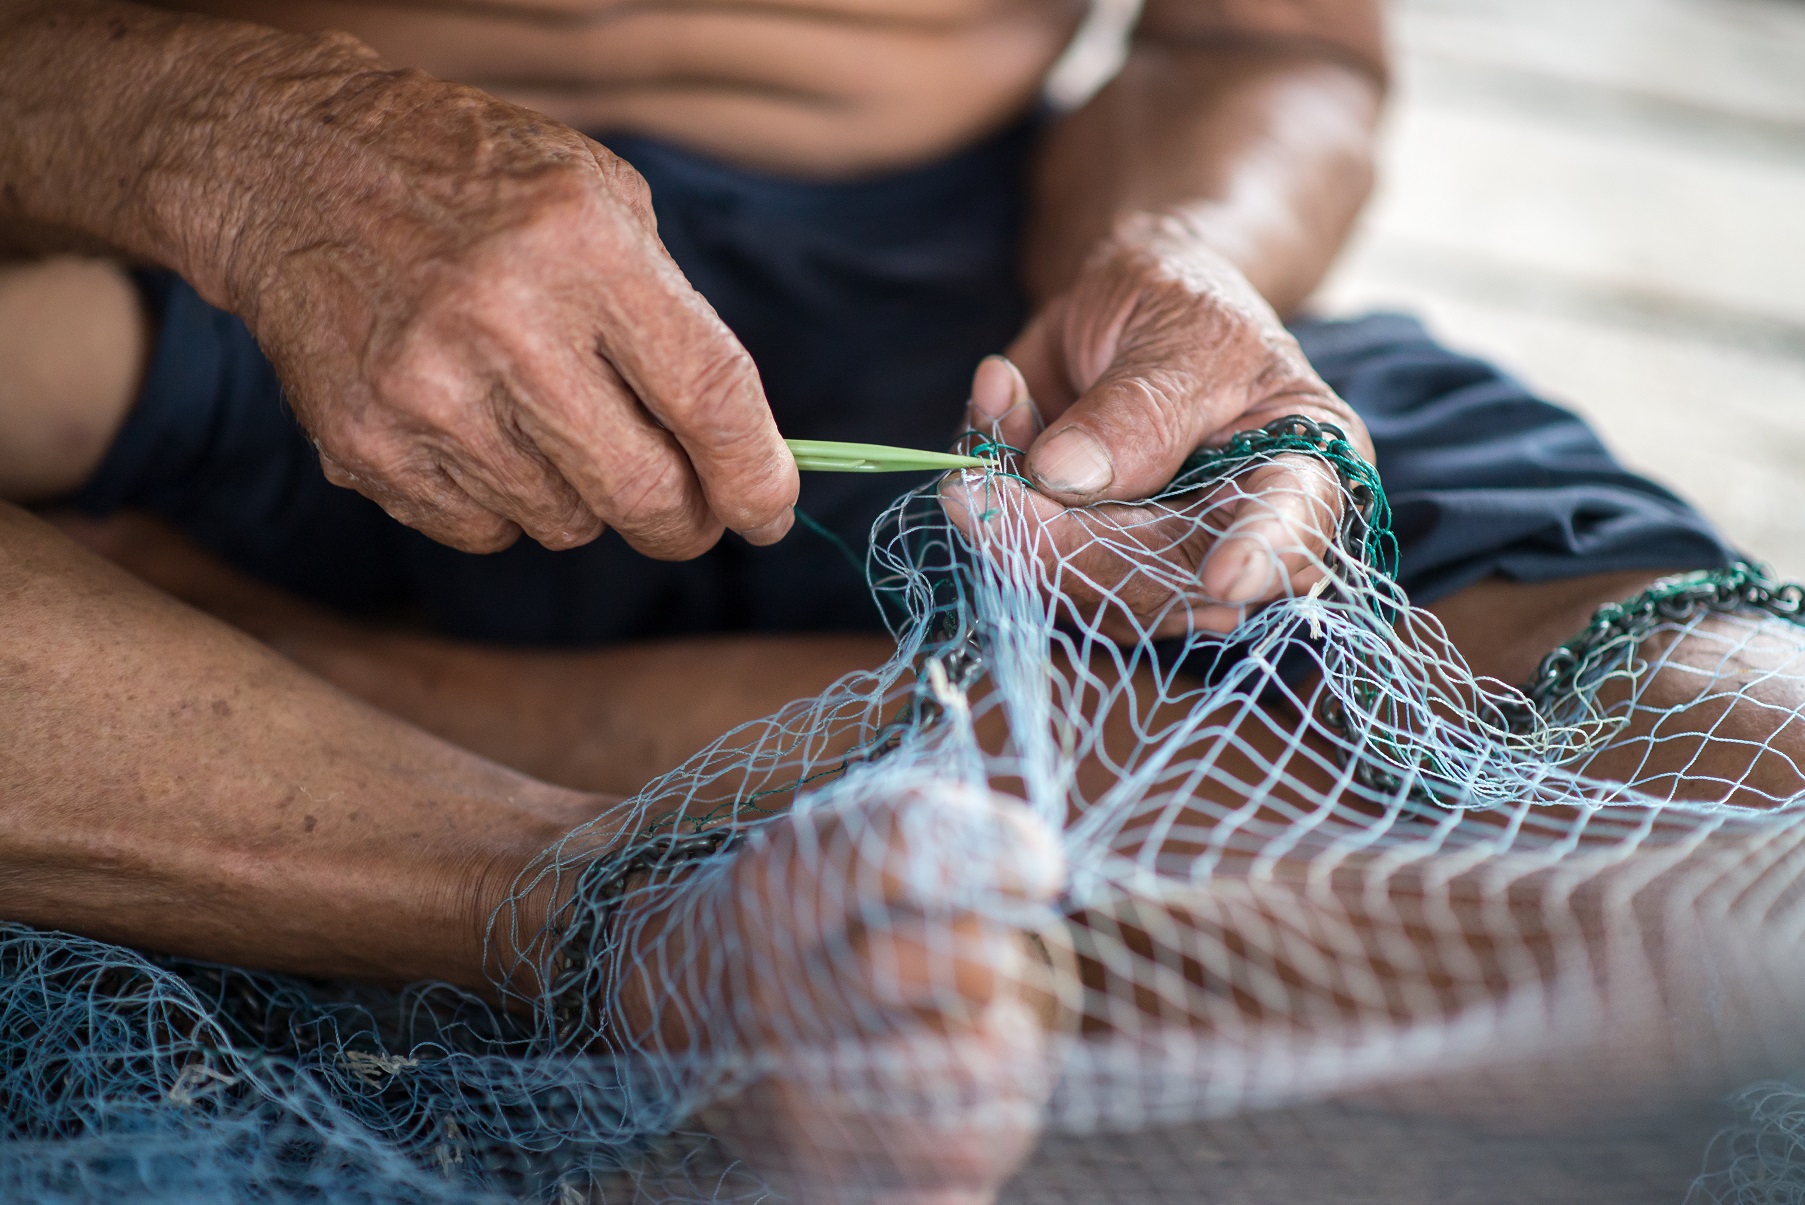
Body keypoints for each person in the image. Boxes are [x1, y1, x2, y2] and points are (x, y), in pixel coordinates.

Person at [0, 0, 1789, 1199]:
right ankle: (608, 894)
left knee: (1761, 777)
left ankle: (275, 702)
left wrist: (1178, 256)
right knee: (1612, 935)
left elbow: (1269, 43)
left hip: (1005, 315)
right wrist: (234, 137)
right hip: (191, 288)